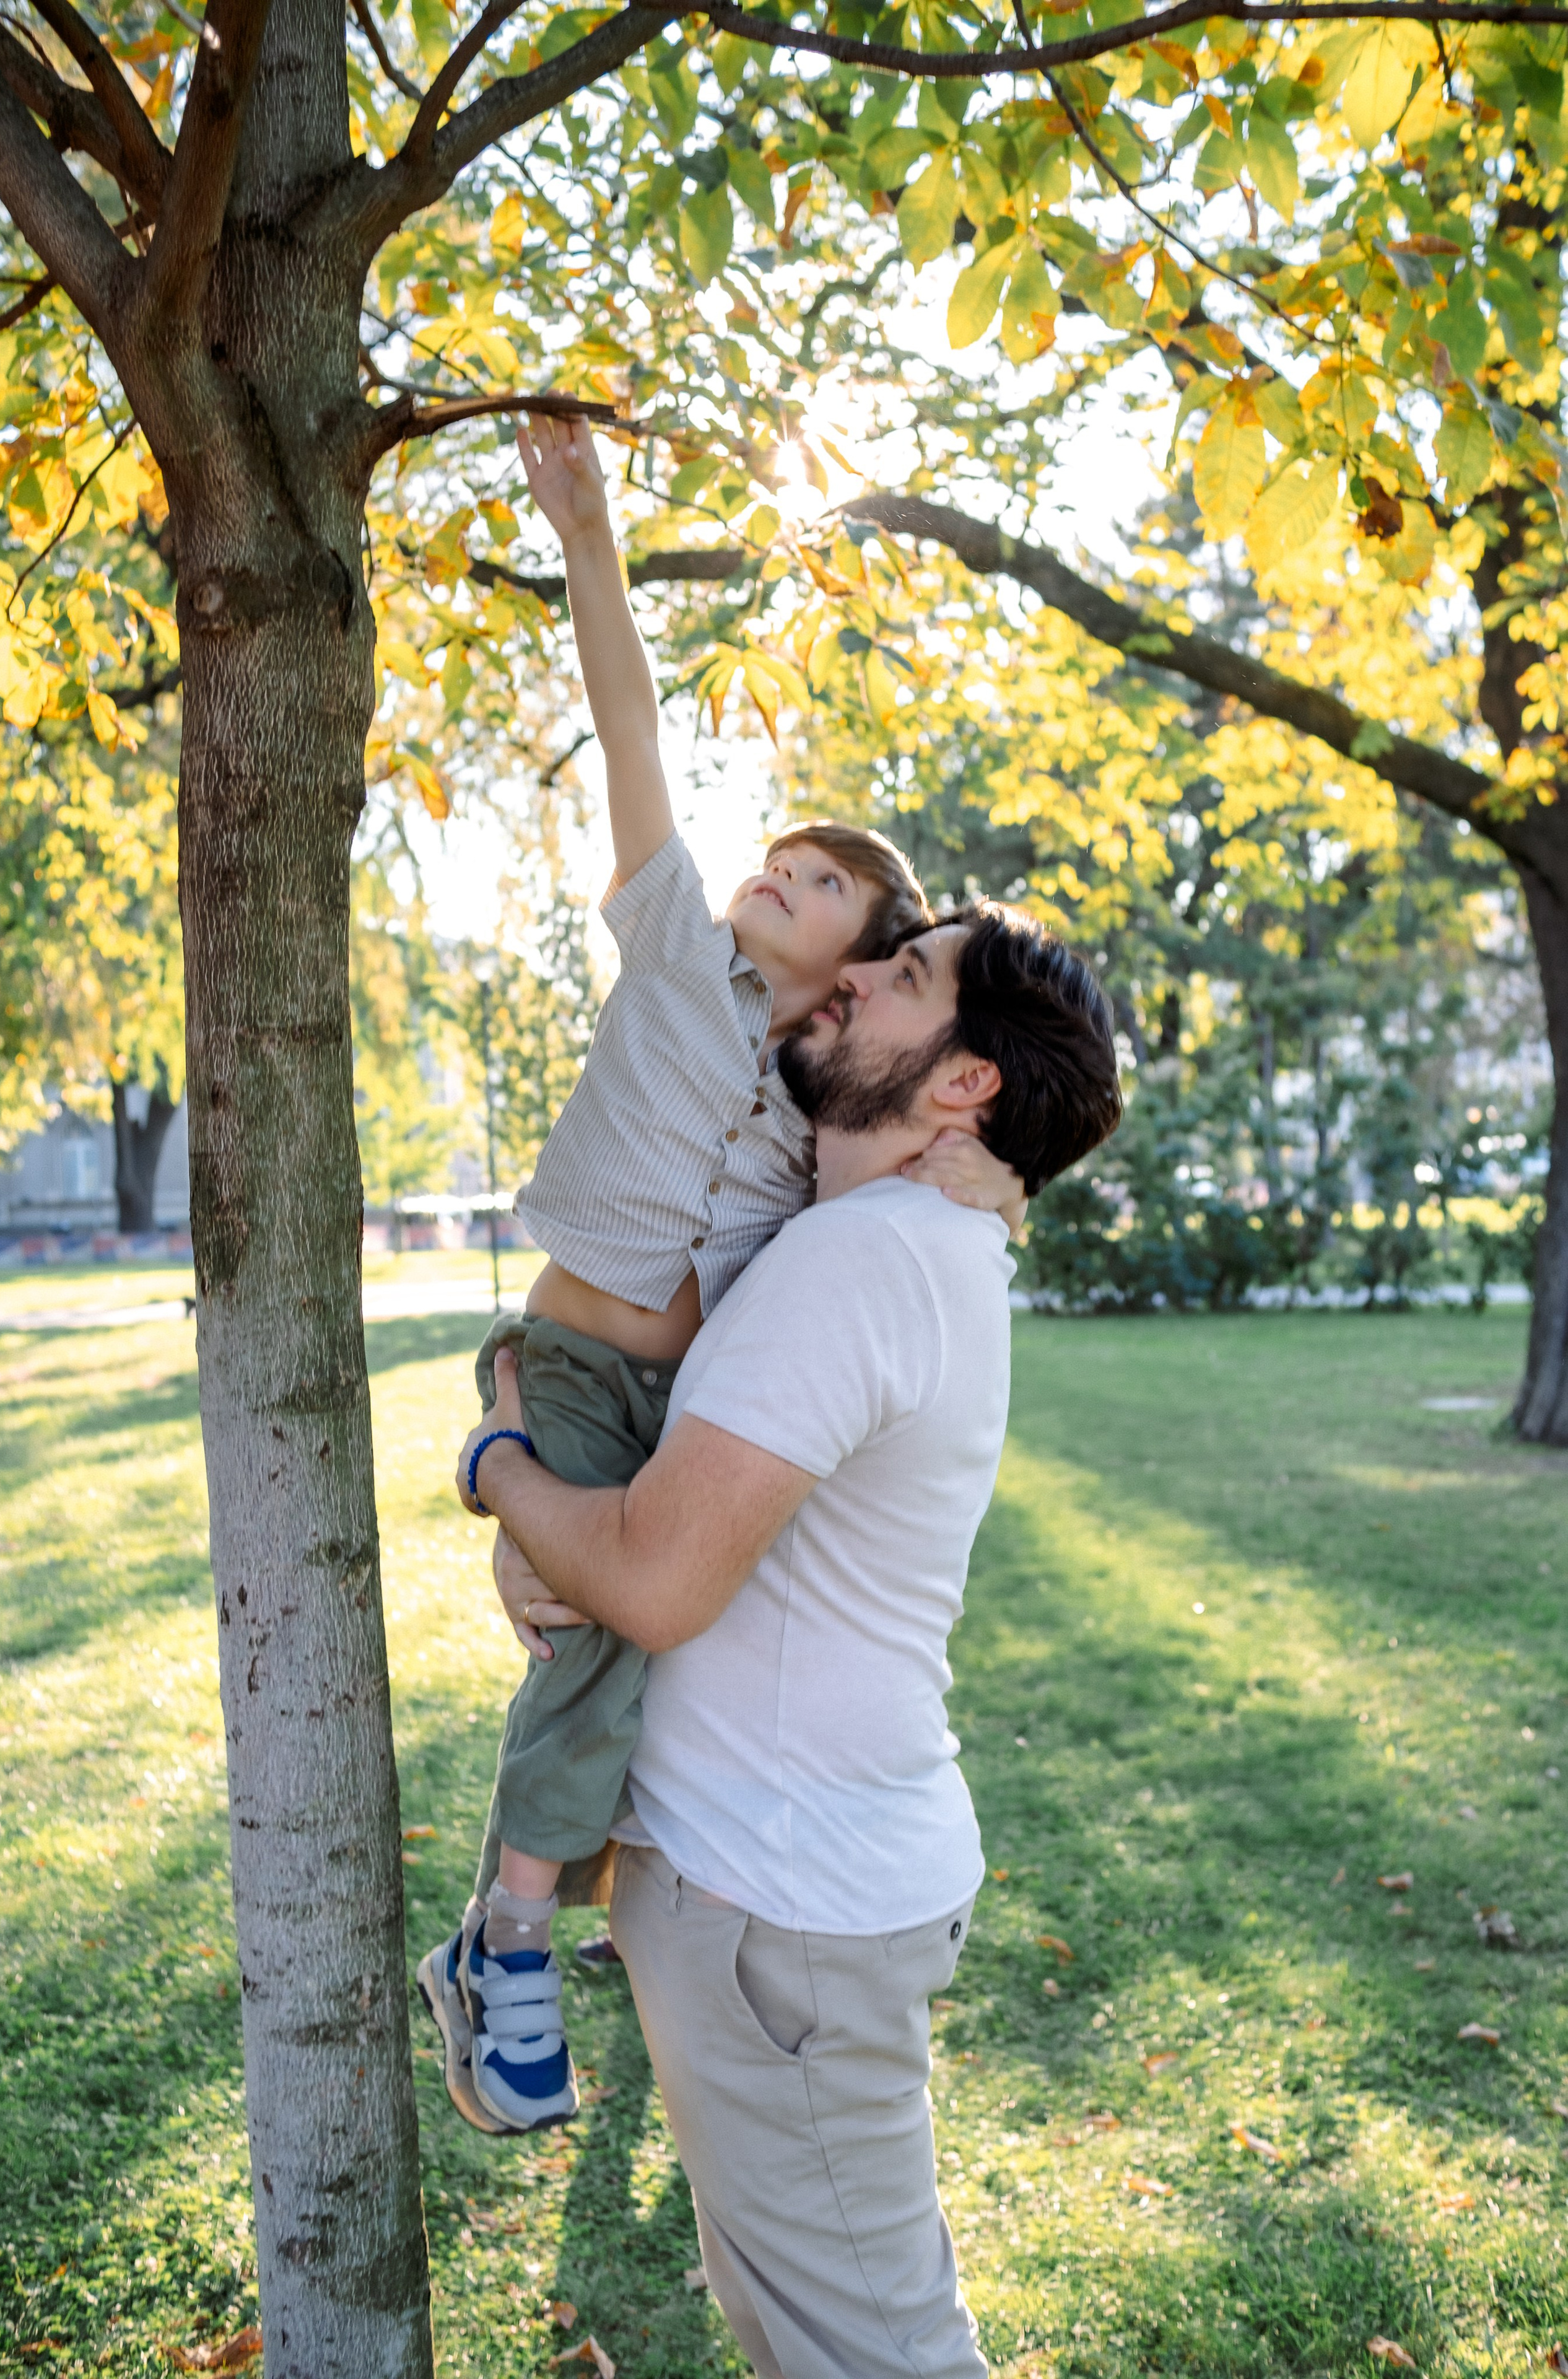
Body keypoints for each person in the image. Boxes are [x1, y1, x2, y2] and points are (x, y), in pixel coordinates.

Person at [417, 414, 1026, 2137]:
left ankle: (586, 1907)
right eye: (788, 854)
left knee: (646, 1638)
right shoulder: (674, 954)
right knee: (601, 1650)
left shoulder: (826, 1100)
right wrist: (587, 537)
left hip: (674, 1399)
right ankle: (503, 1937)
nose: (781, 872)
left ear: (854, 976)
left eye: (822, 884)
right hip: (571, 1362)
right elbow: (632, 730)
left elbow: (937, 1163)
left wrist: (993, 1178)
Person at [458, 899, 1122, 2378]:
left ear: (963, 1082)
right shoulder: (902, 1239)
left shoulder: (863, 1262)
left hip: (783, 1908)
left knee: (876, 2352)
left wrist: (499, 1470)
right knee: (805, 2329)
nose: (851, 979)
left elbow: (652, 1583)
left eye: (902, 976)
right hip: (796, 1893)